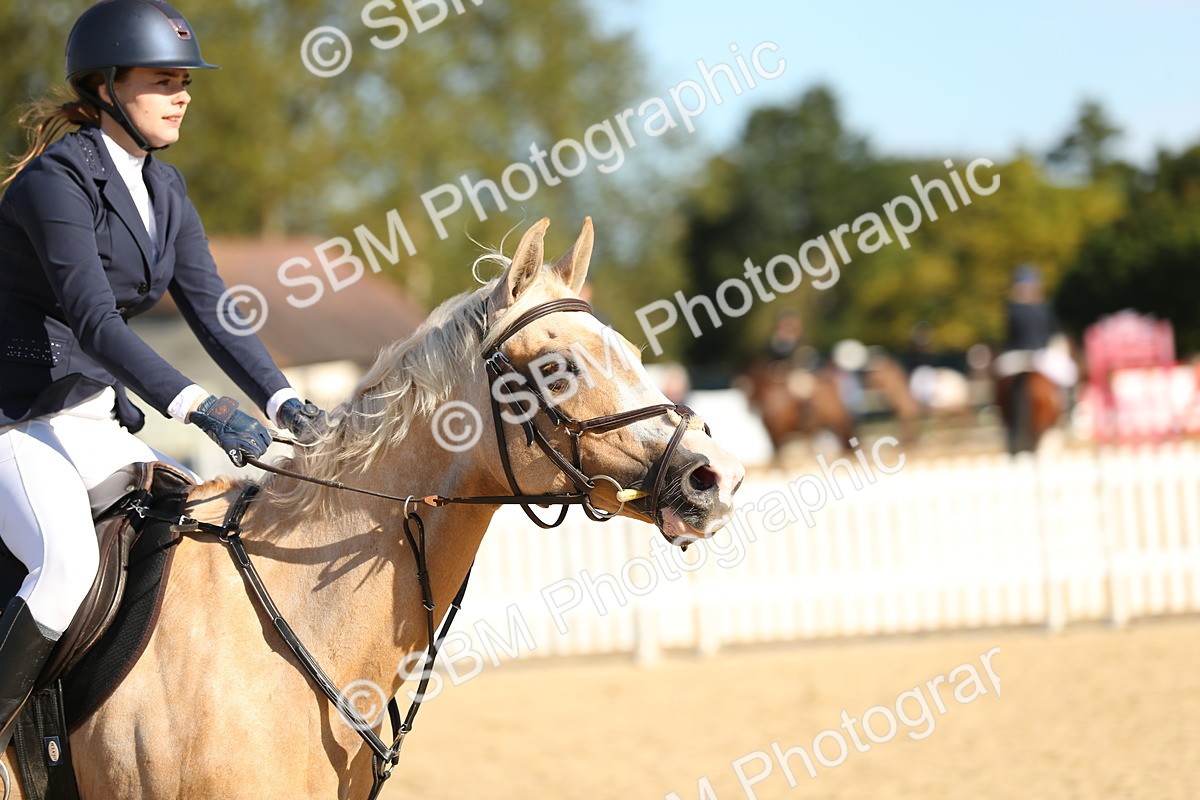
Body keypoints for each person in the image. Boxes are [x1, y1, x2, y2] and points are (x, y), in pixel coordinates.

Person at [0, 0, 324, 756]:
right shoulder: (58, 181)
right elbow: (94, 322)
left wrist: (283, 401)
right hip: (14, 418)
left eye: (187, 82)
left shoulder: (166, 190)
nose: (182, 95)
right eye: (164, 80)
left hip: (92, 423)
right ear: (107, 85)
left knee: (201, 530)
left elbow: (215, 311)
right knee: (65, 566)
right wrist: (200, 406)